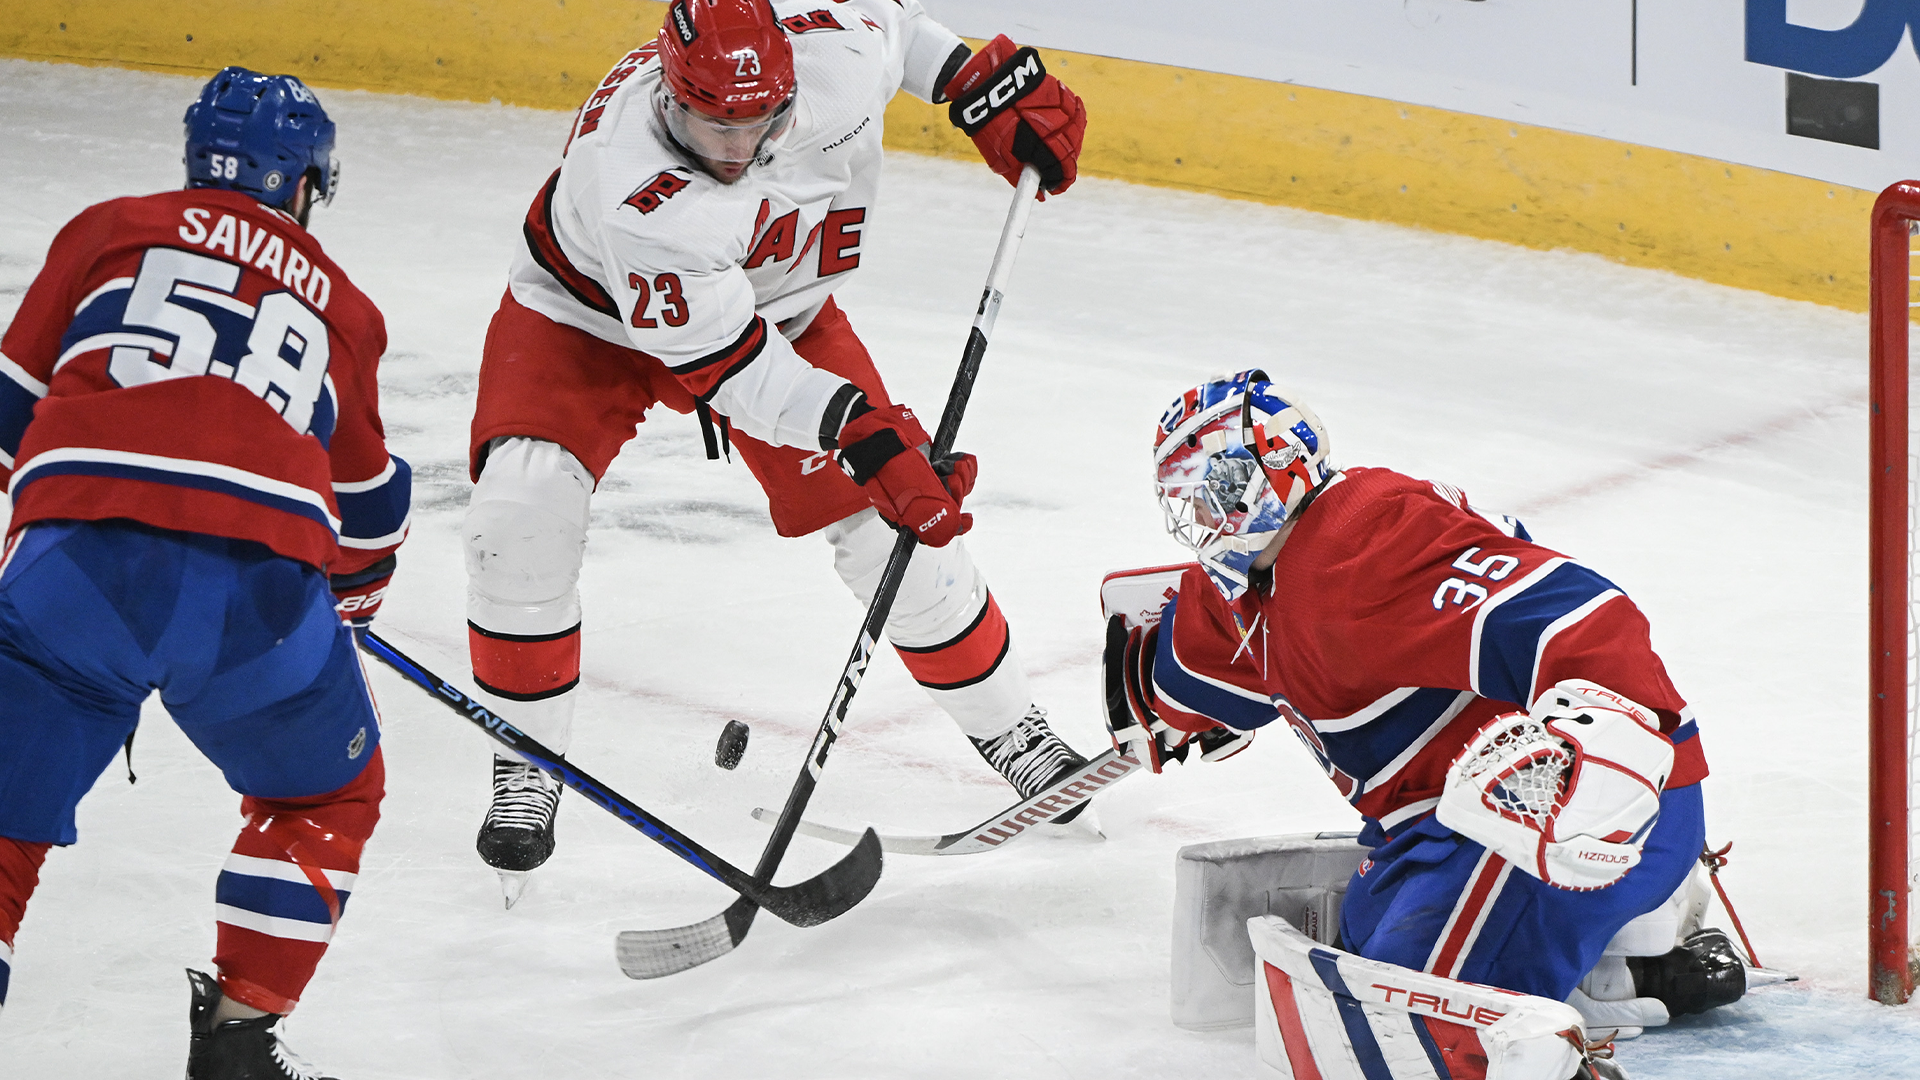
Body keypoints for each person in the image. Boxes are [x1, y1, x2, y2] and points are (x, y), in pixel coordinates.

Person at [462, 0, 1091, 895]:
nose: (734, 146)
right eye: (711, 123)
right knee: (520, 514)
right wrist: (863, 434)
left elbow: (898, 33)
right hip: (585, 318)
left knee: (896, 534)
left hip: (781, 312)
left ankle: (1013, 729)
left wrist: (977, 82)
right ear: (667, 90)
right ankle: (525, 756)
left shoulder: (835, 54)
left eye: (760, 122)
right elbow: (739, 373)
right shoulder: (638, 192)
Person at [1103, 371, 1743, 1075]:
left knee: (1408, 1026)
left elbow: (1583, 617)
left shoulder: (1369, 543)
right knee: (1364, 951)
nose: (1201, 512)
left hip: (1568, 819)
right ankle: (1615, 972)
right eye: (1186, 495)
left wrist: (1606, 763)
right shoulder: (1246, 585)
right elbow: (1194, 667)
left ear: (1274, 469)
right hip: (1439, 828)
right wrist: (1150, 692)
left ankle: (1609, 949)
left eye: (1215, 488)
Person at [0, 67, 410, 1080]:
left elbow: (10, 410)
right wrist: (345, 610)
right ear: (306, 185)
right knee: (330, 793)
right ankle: (237, 1043)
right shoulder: (345, 309)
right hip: (257, 601)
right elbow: (372, 511)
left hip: (77, 570)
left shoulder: (108, 230)